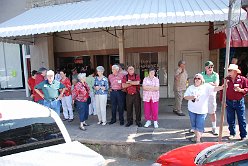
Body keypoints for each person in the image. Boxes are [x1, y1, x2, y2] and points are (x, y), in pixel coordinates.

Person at [184, 73, 224, 143]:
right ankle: (197, 137)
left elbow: (215, 89)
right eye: (195, 78)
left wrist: (222, 87)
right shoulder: (191, 87)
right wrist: (192, 97)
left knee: (199, 125)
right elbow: (185, 97)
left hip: (202, 111)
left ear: (202, 80)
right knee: (194, 125)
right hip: (192, 110)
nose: (196, 80)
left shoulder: (206, 86)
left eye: (198, 78)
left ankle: (198, 140)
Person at [225, 64, 248, 140]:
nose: (228, 72)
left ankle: (243, 135)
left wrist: (241, 90)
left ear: (235, 71)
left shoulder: (243, 79)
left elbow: (247, 88)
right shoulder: (226, 79)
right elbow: (223, 91)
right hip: (229, 101)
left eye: (229, 70)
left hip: (239, 102)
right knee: (230, 119)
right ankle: (232, 133)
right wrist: (223, 101)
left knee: (241, 119)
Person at [201, 61, 219, 135]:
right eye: (209, 67)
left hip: (211, 95)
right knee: (201, 112)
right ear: (205, 68)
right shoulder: (201, 74)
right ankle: (200, 127)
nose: (210, 68)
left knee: (212, 112)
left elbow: (216, 84)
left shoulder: (215, 75)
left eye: (212, 67)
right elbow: (199, 83)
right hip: (203, 95)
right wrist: (210, 83)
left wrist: (206, 83)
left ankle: (214, 128)